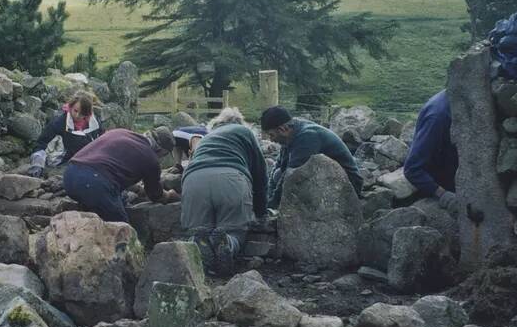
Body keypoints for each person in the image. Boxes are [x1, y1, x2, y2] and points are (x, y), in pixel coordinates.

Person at [180, 108, 268, 275]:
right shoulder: (244, 132)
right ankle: (228, 242)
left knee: (198, 230)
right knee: (234, 231)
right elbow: (260, 175)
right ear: (239, 122)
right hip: (230, 179)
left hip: (194, 180)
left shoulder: (207, 139)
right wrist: (262, 212)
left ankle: (197, 247)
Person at [63, 126, 177, 223]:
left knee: (120, 199)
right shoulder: (151, 159)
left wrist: (137, 189)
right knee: (121, 227)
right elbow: (155, 194)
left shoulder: (122, 132)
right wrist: (169, 196)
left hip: (70, 174)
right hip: (94, 182)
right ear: (161, 150)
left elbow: (113, 167)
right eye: (164, 154)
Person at [260, 105, 363, 208]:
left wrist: (272, 205)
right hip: (326, 178)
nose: (271, 140)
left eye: (271, 135)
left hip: (349, 185)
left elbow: (291, 176)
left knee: (290, 179)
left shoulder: (307, 137)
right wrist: (267, 198)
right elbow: (280, 167)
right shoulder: (291, 132)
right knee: (277, 174)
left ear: (282, 129)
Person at [402, 89, 459, 211]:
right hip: (442, 187)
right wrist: (442, 194)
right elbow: (412, 169)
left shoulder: (456, 100)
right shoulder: (438, 116)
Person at [28, 92, 103, 177]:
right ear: (70, 107)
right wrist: (38, 163)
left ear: (87, 114)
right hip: (60, 163)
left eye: (82, 114)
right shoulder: (58, 123)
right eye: (75, 111)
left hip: (86, 161)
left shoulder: (94, 124)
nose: (77, 115)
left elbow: (100, 142)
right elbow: (41, 143)